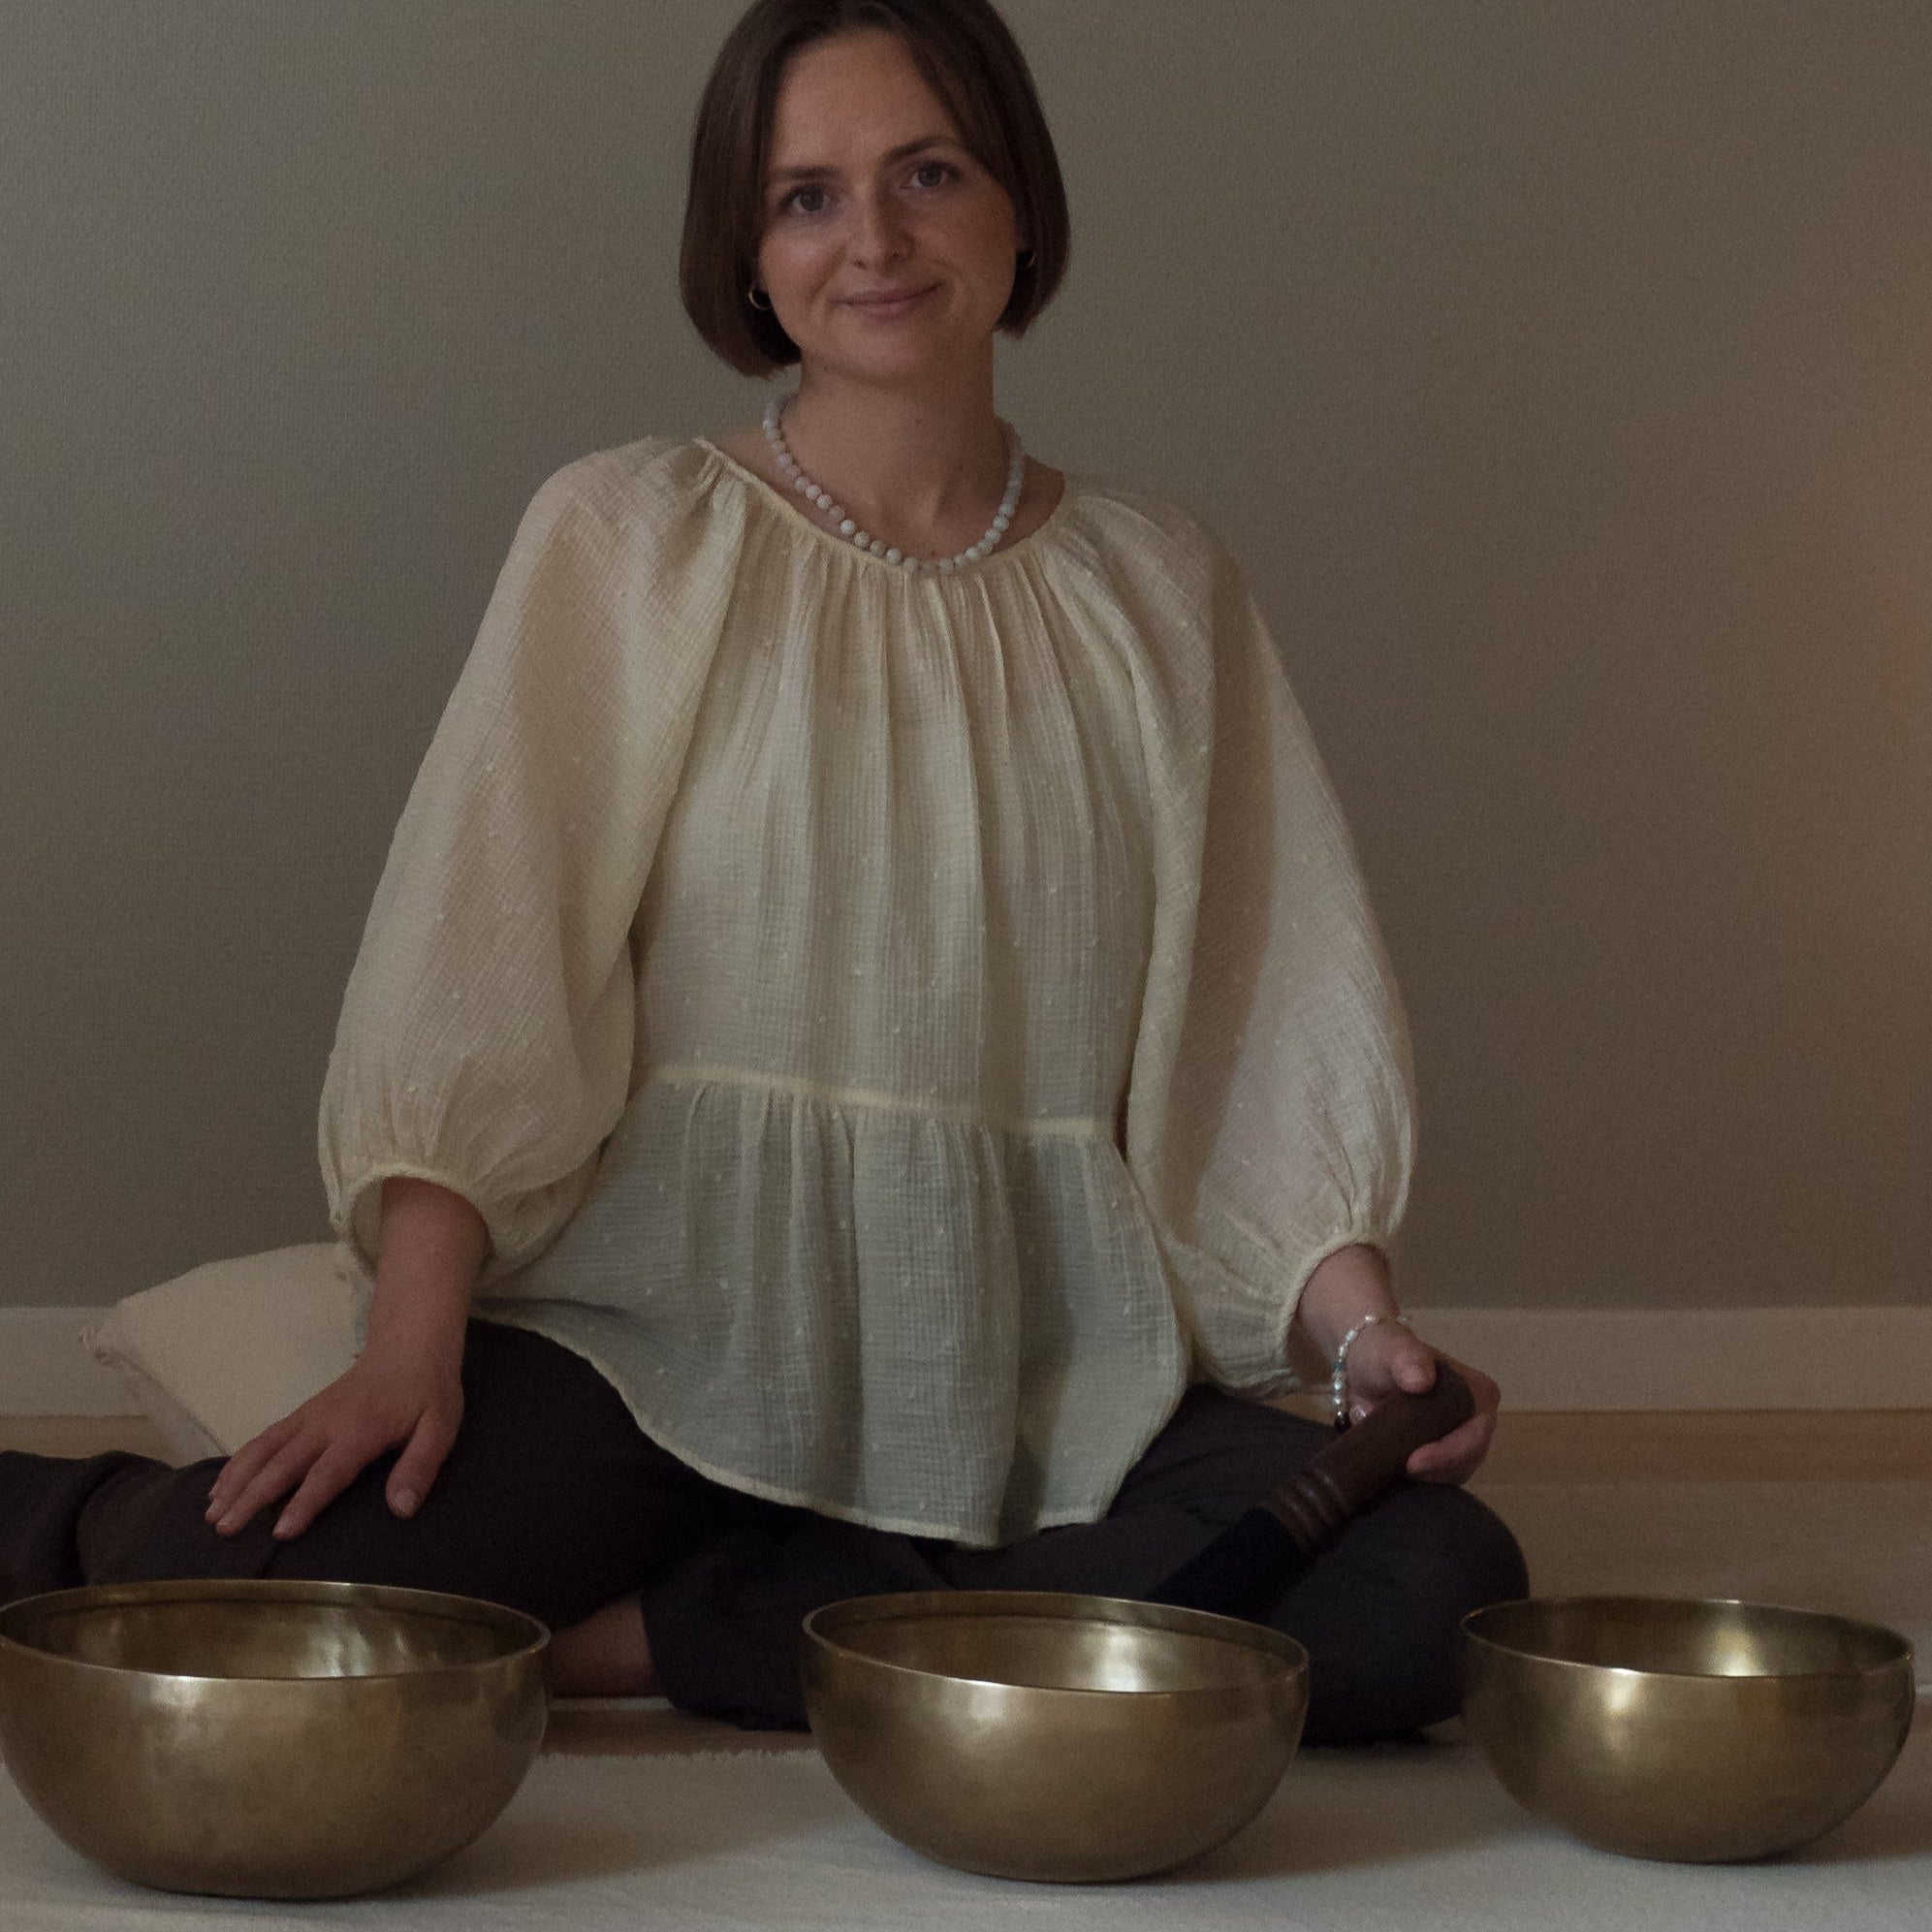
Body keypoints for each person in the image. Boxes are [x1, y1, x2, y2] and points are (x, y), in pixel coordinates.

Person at [0, 0, 1525, 1740]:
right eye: (805, 196)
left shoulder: (1157, 585)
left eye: (924, 174)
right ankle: (71, 1512)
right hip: (659, 1337)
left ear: (1016, 202)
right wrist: (410, 1349)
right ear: (744, 245)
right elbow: (483, 955)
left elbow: (1267, 1011)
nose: (868, 240)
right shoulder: (633, 533)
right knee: (248, 1603)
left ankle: (631, 1639)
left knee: (1428, 1588)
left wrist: (1358, 1344)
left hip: (1038, 1354)